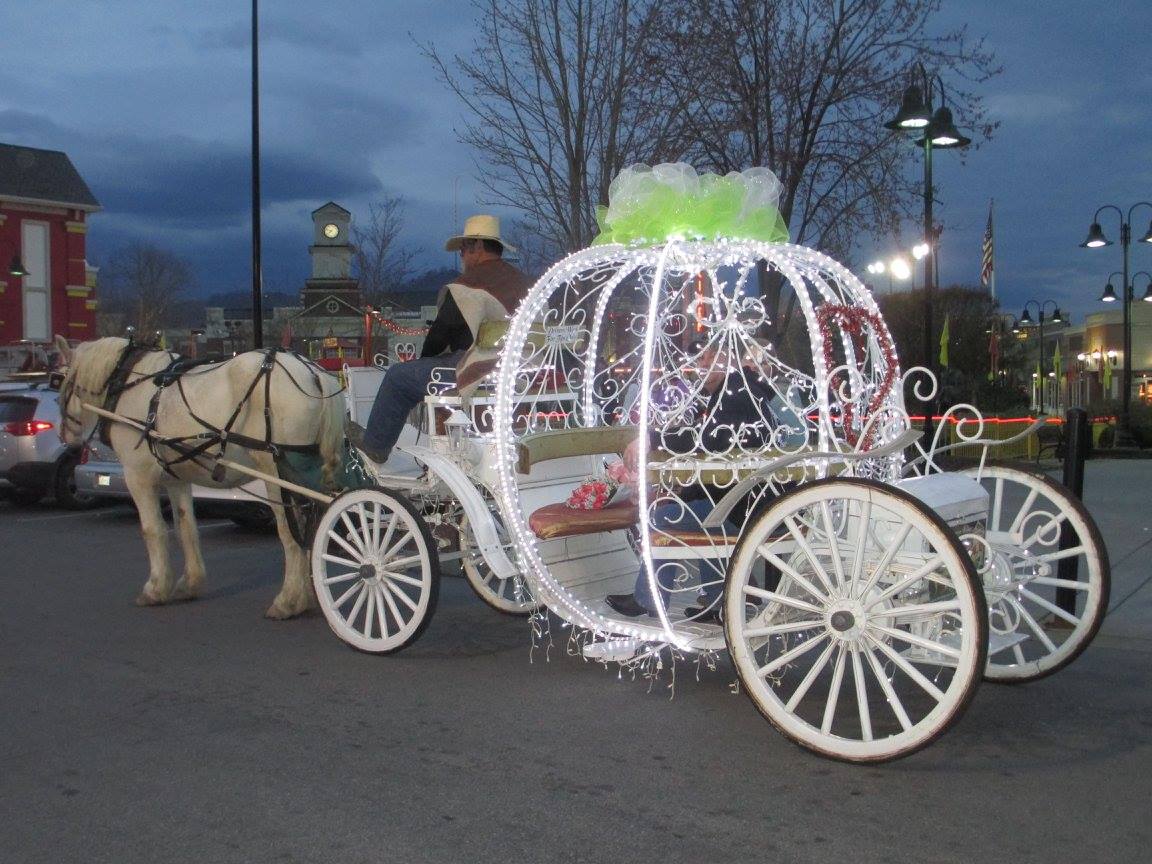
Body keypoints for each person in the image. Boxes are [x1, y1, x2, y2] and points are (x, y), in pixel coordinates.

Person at [606, 342, 807, 624]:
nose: (703, 364)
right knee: (703, 513)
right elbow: (717, 449)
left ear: (730, 361)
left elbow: (710, 439)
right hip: (756, 503)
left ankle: (648, 599)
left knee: (660, 517)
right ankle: (717, 601)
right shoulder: (744, 390)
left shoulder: (735, 390)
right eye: (702, 357)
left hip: (749, 510)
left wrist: (652, 438)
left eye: (711, 356)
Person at [350, 215, 531, 464]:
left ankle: (376, 446)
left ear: (477, 247)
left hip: (479, 371)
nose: (462, 257)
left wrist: (423, 361)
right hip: (521, 369)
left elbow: (440, 333)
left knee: (398, 376)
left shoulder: (468, 285)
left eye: (463, 250)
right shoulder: (524, 281)